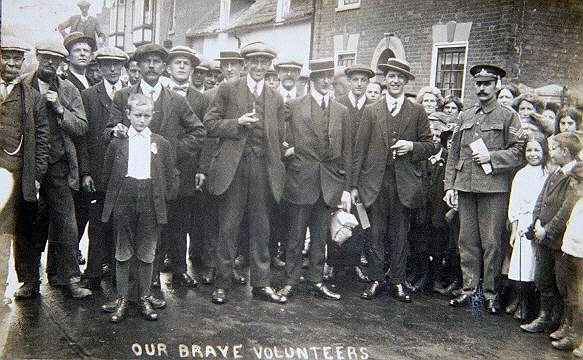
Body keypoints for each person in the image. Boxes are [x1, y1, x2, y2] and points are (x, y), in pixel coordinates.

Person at [104, 43, 206, 289]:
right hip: (132, 182)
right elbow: (107, 131)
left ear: (164, 67)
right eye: (146, 61)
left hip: (163, 180)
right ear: (137, 65)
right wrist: (115, 132)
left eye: (157, 61)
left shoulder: (177, 100)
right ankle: (129, 290)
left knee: (160, 231)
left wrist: (169, 154)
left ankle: (152, 286)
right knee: (130, 235)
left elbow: (199, 131)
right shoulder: (123, 96)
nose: (151, 66)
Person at [203, 41, 287, 305]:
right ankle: (222, 283)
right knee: (229, 226)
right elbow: (210, 124)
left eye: (265, 62)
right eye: (255, 61)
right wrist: (237, 123)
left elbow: (280, 136)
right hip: (235, 168)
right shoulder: (228, 89)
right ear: (246, 64)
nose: (260, 66)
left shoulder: (275, 97)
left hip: (263, 167)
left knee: (262, 227)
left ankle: (261, 284)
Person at [352, 58, 436, 303]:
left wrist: (411, 146)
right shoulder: (371, 110)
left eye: (401, 77)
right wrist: (355, 185)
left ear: (406, 81)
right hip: (375, 183)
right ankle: (376, 279)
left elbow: (431, 145)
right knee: (375, 233)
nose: (396, 81)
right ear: (385, 80)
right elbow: (360, 150)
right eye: (391, 76)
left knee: (400, 235)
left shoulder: (417, 111)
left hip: (404, 184)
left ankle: (398, 281)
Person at [444, 64, 525, 314]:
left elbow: (518, 152)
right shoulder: (465, 116)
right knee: (466, 242)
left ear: (496, 85)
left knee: (492, 243)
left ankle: (490, 294)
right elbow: (453, 153)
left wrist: (492, 157)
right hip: (466, 187)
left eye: (487, 84)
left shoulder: (508, 116)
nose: (481, 88)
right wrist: (449, 186)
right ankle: (469, 290)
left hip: (493, 189)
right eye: (478, 84)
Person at [19, 38, 92, 299]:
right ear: (37, 56)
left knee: (67, 223)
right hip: (27, 166)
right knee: (28, 223)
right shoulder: (22, 86)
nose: (50, 63)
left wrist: (60, 109)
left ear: (62, 63)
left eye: (56, 59)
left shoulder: (68, 89)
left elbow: (82, 126)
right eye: (46, 57)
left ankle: (71, 278)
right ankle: (29, 281)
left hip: (59, 165)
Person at [277, 58, 351, 301]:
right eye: (320, 76)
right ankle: (290, 281)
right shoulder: (295, 105)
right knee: (295, 235)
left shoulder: (341, 111)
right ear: (312, 80)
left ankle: (316, 280)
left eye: (329, 76)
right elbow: (277, 132)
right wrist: (287, 150)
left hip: (328, 183)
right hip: (300, 180)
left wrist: (346, 187)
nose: (326, 81)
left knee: (320, 235)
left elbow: (347, 151)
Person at [102, 94, 177, 323]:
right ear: (128, 114)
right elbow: (106, 175)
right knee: (123, 251)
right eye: (137, 115)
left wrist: (164, 198)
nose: (142, 120)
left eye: (146, 115)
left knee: (147, 251)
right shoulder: (118, 142)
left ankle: (144, 296)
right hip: (124, 196)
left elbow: (169, 174)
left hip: (150, 199)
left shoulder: (160, 143)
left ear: (153, 116)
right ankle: (123, 298)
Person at [0, 35, 50, 304]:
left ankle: (30, 281)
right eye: (6, 56)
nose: (11, 63)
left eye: (16, 58)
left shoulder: (31, 97)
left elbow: (42, 139)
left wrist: (38, 175)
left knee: (25, 229)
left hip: (23, 174)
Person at [78, 46, 129, 290]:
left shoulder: (132, 94)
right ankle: (94, 271)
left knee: (121, 221)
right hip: (99, 170)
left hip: (124, 171)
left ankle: (116, 270)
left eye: (117, 65)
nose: (112, 69)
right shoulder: (89, 96)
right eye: (107, 64)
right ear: (99, 67)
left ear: (123, 68)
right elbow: (85, 137)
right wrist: (86, 171)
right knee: (97, 221)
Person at [521, 132, 581, 333]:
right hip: (543, 236)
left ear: (564, 151)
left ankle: (565, 324)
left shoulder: (574, 176)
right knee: (543, 279)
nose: (550, 151)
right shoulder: (555, 172)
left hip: (557, 240)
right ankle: (545, 317)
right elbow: (541, 199)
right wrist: (537, 222)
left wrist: (548, 230)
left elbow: (566, 208)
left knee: (562, 283)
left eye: (553, 148)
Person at [162, 45, 207, 288]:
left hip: (187, 167)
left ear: (191, 70)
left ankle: (179, 269)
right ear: (168, 68)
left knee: (181, 219)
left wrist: (201, 168)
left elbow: (204, 135)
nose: (181, 67)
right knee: (159, 219)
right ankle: (156, 268)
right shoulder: (158, 93)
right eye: (177, 62)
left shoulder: (200, 99)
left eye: (186, 64)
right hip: (159, 166)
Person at [331, 63, 376, 283]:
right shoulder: (338, 105)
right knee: (336, 215)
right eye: (355, 80)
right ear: (349, 82)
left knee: (359, 219)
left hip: (363, 175)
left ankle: (354, 263)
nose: (359, 84)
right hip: (339, 171)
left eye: (363, 81)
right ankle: (333, 264)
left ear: (368, 83)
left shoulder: (374, 107)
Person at [505, 135, 548, 320]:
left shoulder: (547, 174)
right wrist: (514, 229)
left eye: (537, 150)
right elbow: (514, 204)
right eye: (529, 150)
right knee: (521, 265)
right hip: (523, 223)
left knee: (536, 266)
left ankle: (533, 305)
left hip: (540, 222)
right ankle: (520, 301)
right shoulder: (521, 175)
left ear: (544, 152)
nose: (533, 154)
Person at [63, 31, 96, 267]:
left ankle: (73, 253)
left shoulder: (91, 82)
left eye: (86, 50)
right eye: (77, 50)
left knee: (83, 210)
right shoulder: (65, 83)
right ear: (69, 55)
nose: (83, 54)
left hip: (89, 155)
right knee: (68, 213)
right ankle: (64, 260)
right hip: (71, 155)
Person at [559, 163, 583, 355]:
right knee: (574, 298)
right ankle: (574, 335)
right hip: (572, 251)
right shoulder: (577, 203)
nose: (573, 186)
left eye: (577, 183)